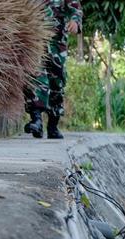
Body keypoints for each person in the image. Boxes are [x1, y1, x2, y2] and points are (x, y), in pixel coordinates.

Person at [23, 0, 82, 139]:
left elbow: (75, 8)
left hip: (57, 43)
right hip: (35, 39)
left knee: (57, 81)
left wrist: (75, 22)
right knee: (35, 76)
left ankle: (53, 124)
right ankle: (36, 119)